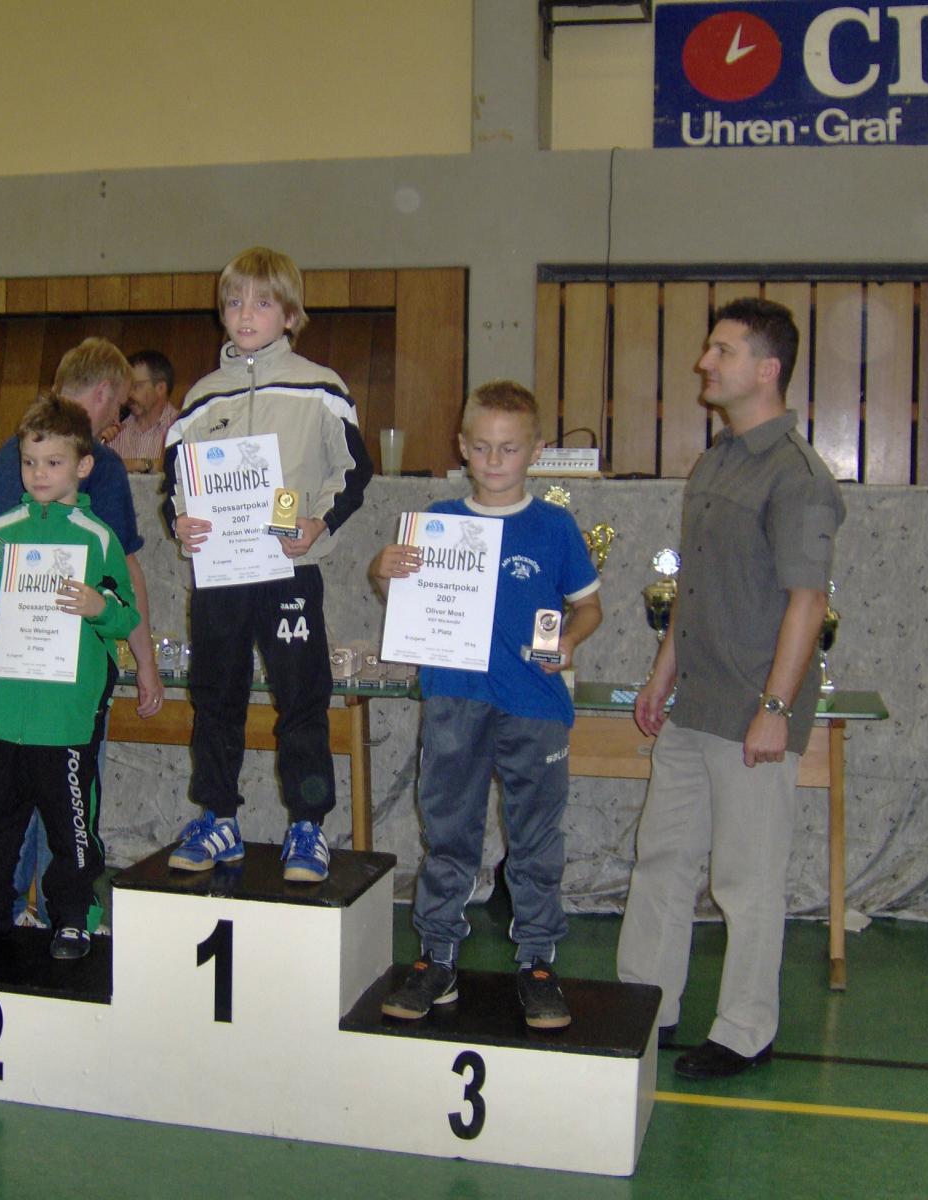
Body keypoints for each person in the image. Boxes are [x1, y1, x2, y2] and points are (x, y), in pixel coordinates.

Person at [616, 298, 845, 1079]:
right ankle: (645, 1006)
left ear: (767, 369)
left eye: (721, 350)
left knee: (746, 882)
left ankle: (746, 1031)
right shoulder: (716, 460)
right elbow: (697, 584)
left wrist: (775, 711)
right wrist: (661, 674)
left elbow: (807, 603)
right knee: (662, 860)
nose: (704, 362)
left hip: (753, 710)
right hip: (694, 703)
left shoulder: (799, 479)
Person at [370, 380, 602, 1029]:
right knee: (448, 835)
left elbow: (589, 607)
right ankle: (437, 957)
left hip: (535, 705)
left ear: (536, 450)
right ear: (462, 446)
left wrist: (569, 642)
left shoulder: (554, 527)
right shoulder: (438, 521)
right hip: (454, 699)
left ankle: (538, 961)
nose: (494, 460)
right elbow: (400, 597)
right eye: (481, 447)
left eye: (509, 448)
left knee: (535, 840)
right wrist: (383, 571)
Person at [163, 246, 374, 882]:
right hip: (221, 577)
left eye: (261, 302)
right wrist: (182, 521)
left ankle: (308, 827)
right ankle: (218, 818)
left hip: (289, 569)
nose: (246, 314)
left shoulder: (322, 388)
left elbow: (354, 472)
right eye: (234, 302)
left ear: (289, 314)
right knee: (215, 696)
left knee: (302, 697)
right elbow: (177, 486)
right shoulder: (200, 398)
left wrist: (319, 524)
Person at [0, 396, 138, 959]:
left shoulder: (98, 539)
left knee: (70, 826)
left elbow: (126, 615)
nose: (39, 474)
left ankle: (73, 917)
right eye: (29, 462)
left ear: (83, 465)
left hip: (64, 715)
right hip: (2, 709)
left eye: (53, 462)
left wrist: (100, 607)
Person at [0, 338, 164, 926]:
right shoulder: (101, 464)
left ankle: (9, 907)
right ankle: (64, 910)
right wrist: (145, 662)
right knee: (69, 794)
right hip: (69, 671)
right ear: (106, 392)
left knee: (9, 796)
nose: (40, 473)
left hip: (16, 664)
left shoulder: (7, 455)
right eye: (122, 406)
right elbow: (125, 571)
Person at [108, 350, 178, 473]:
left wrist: (139, 464)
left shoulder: (182, 427)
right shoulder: (114, 427)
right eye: (127, 387)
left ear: (160, 388)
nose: (129, 394)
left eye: (136, 386)